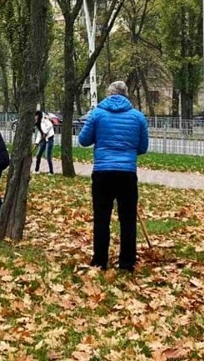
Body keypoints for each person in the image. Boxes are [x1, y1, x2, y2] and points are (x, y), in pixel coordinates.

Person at [78, 81, 149, 272]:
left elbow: (83, 140)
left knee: (102, 217)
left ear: (109, 94)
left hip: (102, 172)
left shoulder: (97, 114)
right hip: (127, 173)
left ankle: (100, 260)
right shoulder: (138, 117)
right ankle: (127, 263)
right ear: (126, 95)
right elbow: (143, 147)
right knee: (127, 219)